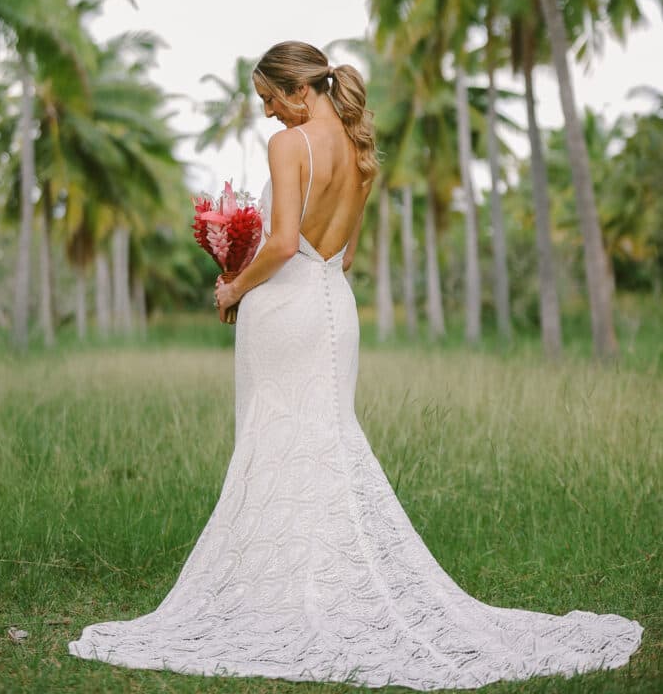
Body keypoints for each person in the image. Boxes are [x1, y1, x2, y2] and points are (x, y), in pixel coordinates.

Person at [68, 41, 643, 688]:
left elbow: (284, 243)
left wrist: (233, 286)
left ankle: (284, 596)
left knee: (279, 437)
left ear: (299, 89)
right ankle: (312, 587)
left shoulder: (291, 147)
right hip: (332, 306)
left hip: (286, 308)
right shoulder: (355, 147)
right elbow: (338, 257)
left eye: (269, 99)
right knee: (322, 438)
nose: (265, 115)